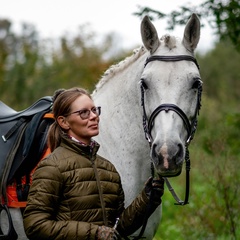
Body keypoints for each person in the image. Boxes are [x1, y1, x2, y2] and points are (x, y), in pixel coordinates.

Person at [23, 87, 164, 240]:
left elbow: (119, 228)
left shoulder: (108, 168)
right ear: (63, 122)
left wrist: (147, 200)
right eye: (84, 113)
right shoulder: (52, 167)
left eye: (94, 110)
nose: (93, 117)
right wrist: (94, 233)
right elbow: (34, 225)